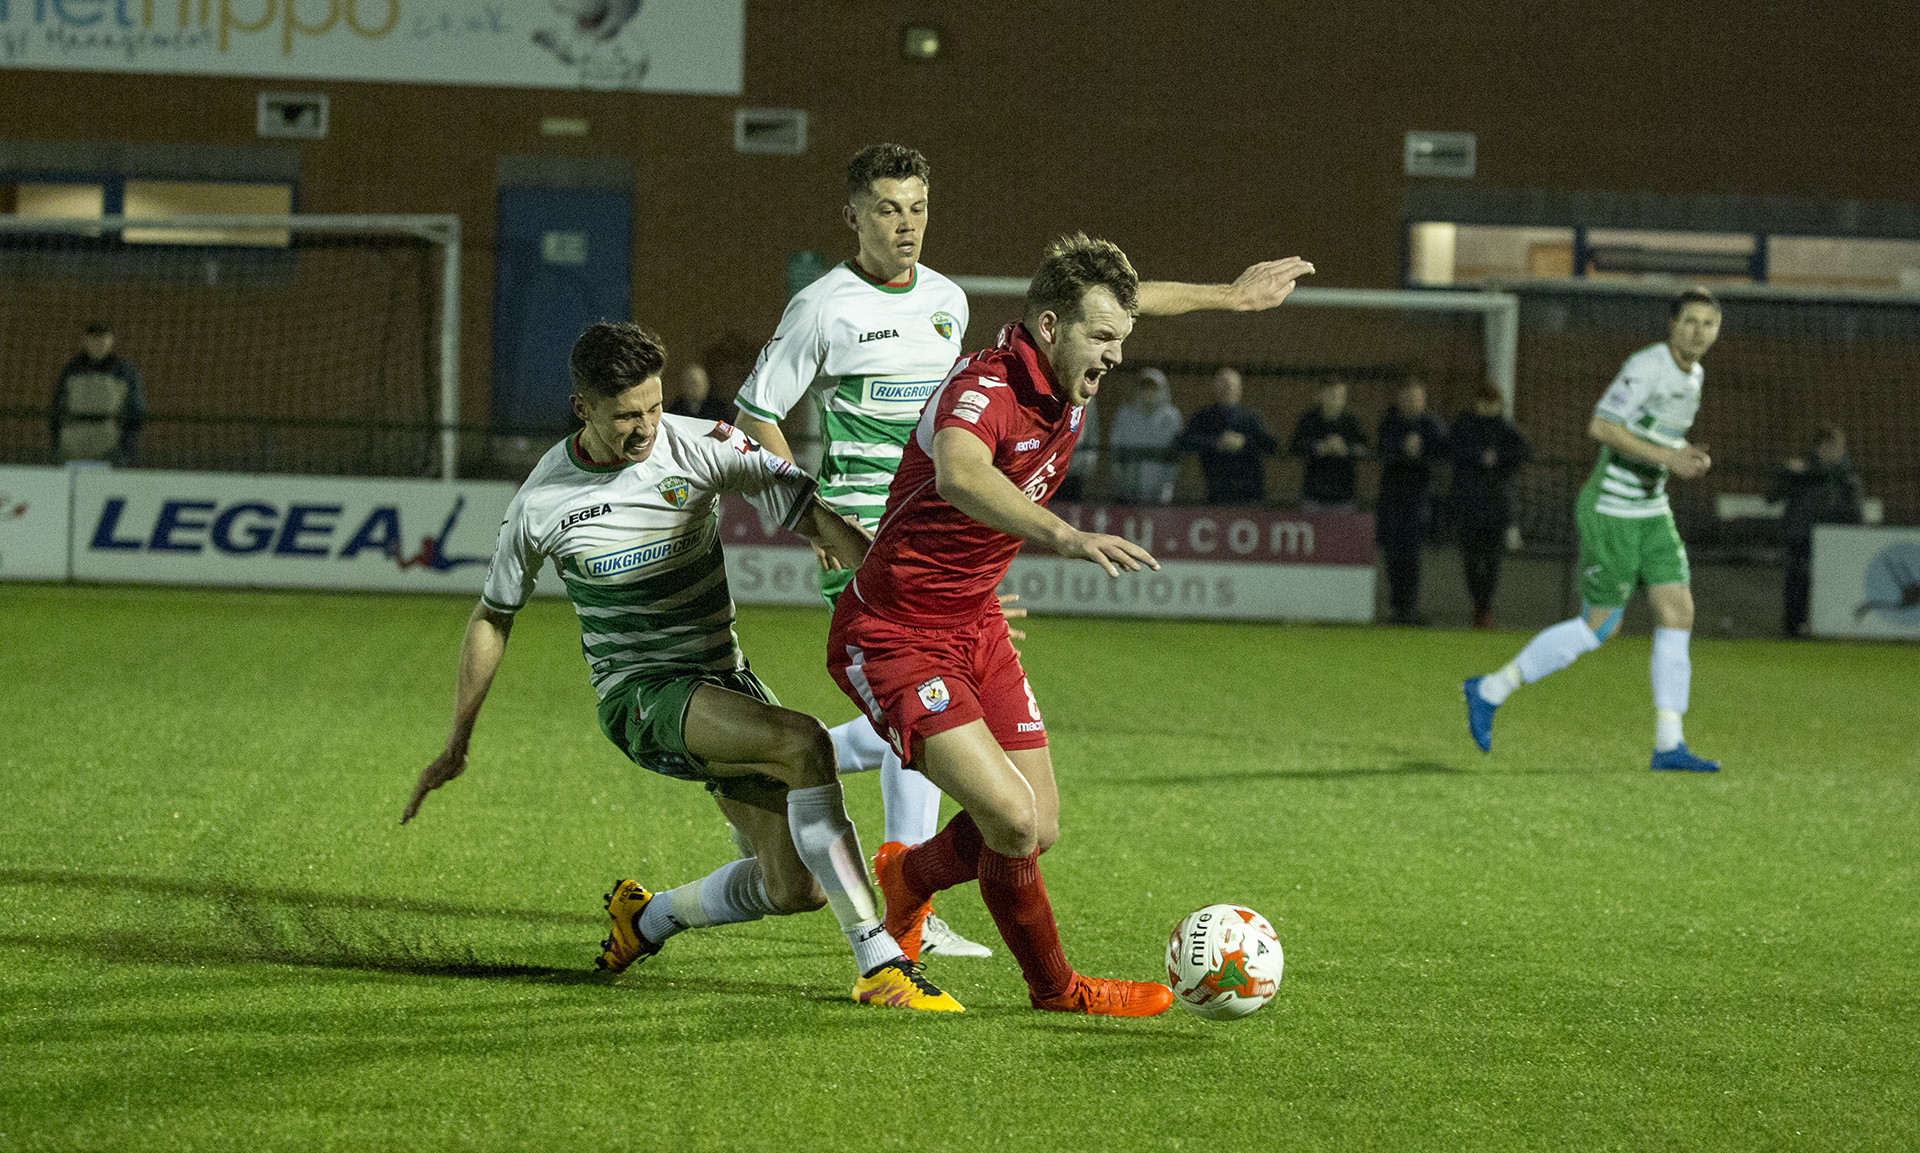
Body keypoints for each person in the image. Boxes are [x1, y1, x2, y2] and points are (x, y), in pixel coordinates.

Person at [730, 142, 1314, 956]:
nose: (907, 225)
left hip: (948, 536)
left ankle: (803, 770)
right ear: (854, 216)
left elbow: (1109, 305)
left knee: (940, 726)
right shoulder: (822, 307)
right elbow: (756, 413)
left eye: (919, 207)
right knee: (923, 701)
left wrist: (1231, 296)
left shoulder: (947, 300)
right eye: (889, 209)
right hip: (867, 536)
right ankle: (908, 914)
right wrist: (811, 520)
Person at [402, 321, 961, 1012]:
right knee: (806, 740)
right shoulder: (542, 504)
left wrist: (917, 606)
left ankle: (645, 918)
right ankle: (880, 963)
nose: (645, 429)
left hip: (722, 679)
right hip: (641, 696)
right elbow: (493, 614)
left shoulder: (701, 445)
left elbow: (816, 517)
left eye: (653, 407)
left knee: (797, 887)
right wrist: (458, 737)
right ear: (582, 408)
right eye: (626, 416)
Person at [829, 233, 1311, 1018]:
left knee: (1038, 824)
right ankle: (1057, 989)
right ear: (1048, 327)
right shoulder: (986, 388)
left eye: (1123, 338)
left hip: (973, 621)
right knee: (1012, 820)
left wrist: (1231, 295)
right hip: (894, 630)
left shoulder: (1072, 351)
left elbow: (1131, 297)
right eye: (1102, 338)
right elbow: (960, 470)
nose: (1117, 355)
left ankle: (909, 876)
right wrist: (1063, 535)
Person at [1464, 287, 1725, 772]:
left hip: (1651, 509)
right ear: (1672, 325)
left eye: (1708, 323)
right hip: (1612, 509)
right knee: (1602, 626)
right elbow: (1603, 426)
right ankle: (1490, 688)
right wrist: (1669, 456)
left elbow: (1656, 434)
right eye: (1690, 321)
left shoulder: (1696, 376)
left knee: (1678, 612)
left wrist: (1684, 453)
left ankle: (1670, 743)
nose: (1699, 331)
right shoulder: (1648, 365)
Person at [1767, 423, 1863, 636]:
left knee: (1831, 589)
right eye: (1830, 446)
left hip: (1836, 546)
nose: (1835, 452)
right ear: (1819, 448)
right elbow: (1771, 496)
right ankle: (1794, 629)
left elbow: (1856, 516)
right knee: (1798, 586)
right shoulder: (1801, 474)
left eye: (1838, 447)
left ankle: (1827, 628)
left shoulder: (1847, 479)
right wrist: (1788, 473)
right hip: (1801, 542)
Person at [1448, 383, 1532, 629]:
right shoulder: (1464, 426)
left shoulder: (1505, 429)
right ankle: (1478, 603)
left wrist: (1498, 458)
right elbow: (1452, 449)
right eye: (1484, 402)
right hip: (1469, 505)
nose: (1488, 407)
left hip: (1497, 506)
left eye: (1492, 403)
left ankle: (1484, 607)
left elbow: (1523, 451)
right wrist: (1478, 457)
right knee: (1472, 559)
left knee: (1493, 560)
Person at [1374, 379, 1448, 625]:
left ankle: (1410, 607)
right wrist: (1402, 449)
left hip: (1419, 498)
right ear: (1400, 399)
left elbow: (1443, 451)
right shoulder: (1390, 423)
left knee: (1412, 553)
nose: (1412, 402)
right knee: (1393, 553)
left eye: (1416, 398)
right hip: (1392, 498)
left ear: (1423, 400)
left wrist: (1421, 450)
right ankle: (1397, 607)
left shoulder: (1431, 425)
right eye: (1407, 398)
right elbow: (1381, 449)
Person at [1176, 368, 1279, 504]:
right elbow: (1183, 441)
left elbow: (1270, 445)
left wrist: (1243, 442)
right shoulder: (1204, 417)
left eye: (1230, 386)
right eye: (1222, 386)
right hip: (1215, 491)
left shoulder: (1251, 418)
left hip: (1249, 493)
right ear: (1214, 389)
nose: (1226, 390)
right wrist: (1216, 443)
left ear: (1239, 390)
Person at [52, 323, 145, 466]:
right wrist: (58, 440)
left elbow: (135, 410)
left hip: (108, 438)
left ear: (110, 342)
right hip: (73, 439)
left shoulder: (123, 371)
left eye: (102, 341)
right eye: (94, 340)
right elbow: (57, 405)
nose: (98, 345)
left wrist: (126, 447)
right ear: (86, 341)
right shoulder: (72, 369)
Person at [1287, 380, 1368, 510]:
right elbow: (1295, 446)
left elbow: (1365, 449)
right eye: (1331, 396)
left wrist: (1346, 449)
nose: (1336, 401)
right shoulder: (1309, 420)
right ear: (1320, 396)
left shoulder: (1351, 422)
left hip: (1344, 495)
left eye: (1340, 397)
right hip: (1314, 495)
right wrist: (1319, 447)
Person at [1107, 367, 1182, 505]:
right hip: (1128, 490)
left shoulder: (1171, 417)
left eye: (1153, 388)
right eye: (1144, 388)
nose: (1148, 392)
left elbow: (1173, 454)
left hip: (1158, 490)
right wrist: (1119, 482)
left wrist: (1167, 486)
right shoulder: (1125, 415)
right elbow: (1116, 450)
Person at [1055, 395, 1099, 501]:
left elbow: (1092, 429)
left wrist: (1089, 460)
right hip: (1053, 464)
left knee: (1072, 505)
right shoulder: (1056, 393)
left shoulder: (1088, 399)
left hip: (1076, 466)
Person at [665, 363, 731, 422]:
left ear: (706, 384)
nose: (694, 388)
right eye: (690, 383)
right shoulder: (676, 407)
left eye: (697, 383)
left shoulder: (719, 407)